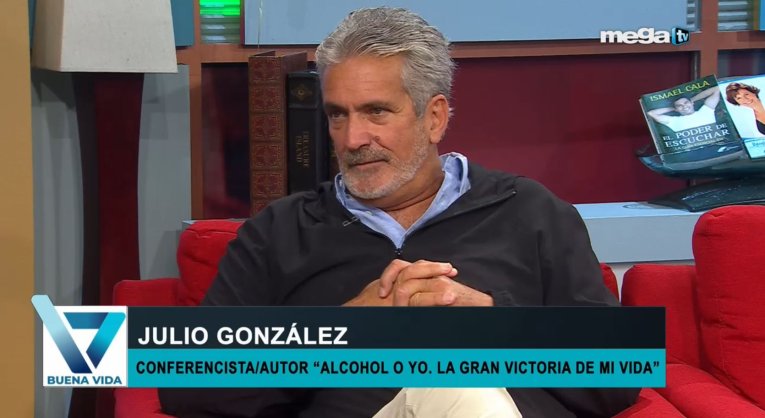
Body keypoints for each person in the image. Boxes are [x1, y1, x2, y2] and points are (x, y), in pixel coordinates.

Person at [159, 7, 638, 417]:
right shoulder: (279, 230)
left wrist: (495, 324)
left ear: (434, 117)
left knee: (460, 388)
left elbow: (619, 374)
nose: (352, 139)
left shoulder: (531, 211)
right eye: (338, 114)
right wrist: (341, 332)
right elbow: (187, 383)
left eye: (376, 112)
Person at [647, 87, 720, 132]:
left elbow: (716, 89)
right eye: (679, 106)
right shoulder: (674, 121)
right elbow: (651, 113)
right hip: (694, 151)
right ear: (676, 109)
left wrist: (692, 100)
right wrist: (673, 108)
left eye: (686, 102)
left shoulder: (705, 111)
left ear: (692, 103)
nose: (684, 106)